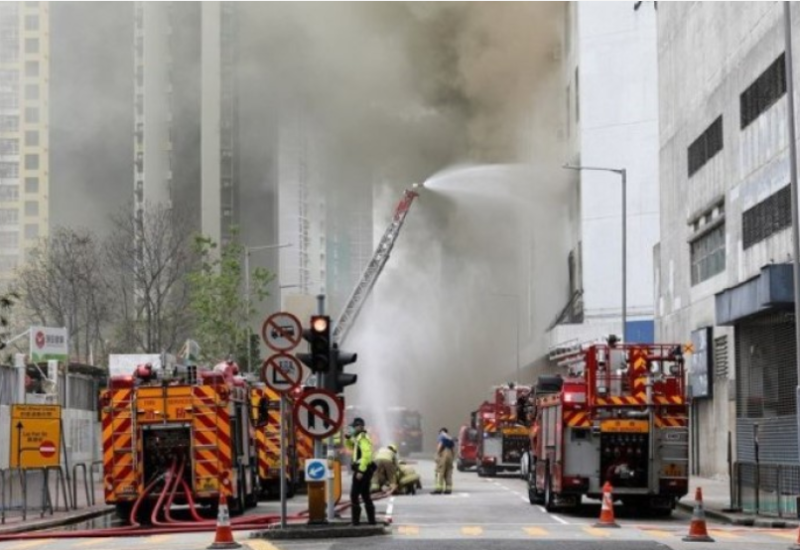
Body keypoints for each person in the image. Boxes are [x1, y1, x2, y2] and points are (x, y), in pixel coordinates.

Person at [344, 417, 376, 525]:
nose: (352, 429)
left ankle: (355, 522)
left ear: (359, 427)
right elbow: (350, 447)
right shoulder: (358, 437)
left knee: (354, 495)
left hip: (363, 469)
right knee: (365, 494)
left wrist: (361, 471)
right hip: (365, 469)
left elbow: (367, 455)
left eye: (354, 427)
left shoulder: (362, 438)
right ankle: (371, 521)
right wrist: (348, 438)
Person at [433, 427, 455, 494]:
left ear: (441, 432)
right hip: (450, 455)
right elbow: (453, 450)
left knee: (440, 472)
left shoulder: (441, 436)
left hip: (443, 455)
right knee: (448, 473)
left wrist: (437, 454)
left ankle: (438, 489)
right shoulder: (450, 438)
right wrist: (452, 458)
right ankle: (448, 489)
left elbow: (440, 445)